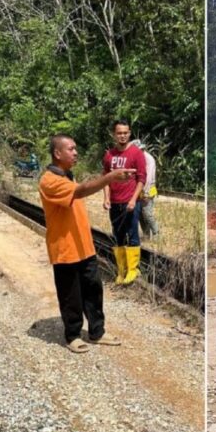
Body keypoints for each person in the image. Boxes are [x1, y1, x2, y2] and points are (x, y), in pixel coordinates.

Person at [39, 134, 135, 353]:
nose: (75, 152)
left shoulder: (67, 176)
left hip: (84, 246)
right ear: (57, 153)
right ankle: (72, 335)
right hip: (65, 249)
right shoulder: (49, 181)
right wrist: (110, 178)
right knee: (70, 294)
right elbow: (80, 191)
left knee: (93, 290)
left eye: (75, 148)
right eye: (71, 149)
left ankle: (97, 332)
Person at [102, 120, 147, 285]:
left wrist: (134, 199)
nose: (122, 136)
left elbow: (142, 178)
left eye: (125, 133)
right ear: (114, 135)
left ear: (130, 133)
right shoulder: (109, 156)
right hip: (114, 202)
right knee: (118, 235)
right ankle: (121, 271)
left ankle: (133, 270)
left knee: (133, 235)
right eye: (119, 133)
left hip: (130, 202)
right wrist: (106, 198)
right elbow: (105, 178)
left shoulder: (136, 154)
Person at [132, 139, 160, 239]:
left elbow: (148, 178)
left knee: (147, 214)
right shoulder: (138, 159)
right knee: (140, 214)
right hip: (139, 190)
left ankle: (156, 233)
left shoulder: (149, 159)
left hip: (148, 190)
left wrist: (146, 193)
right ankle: (146, 234)